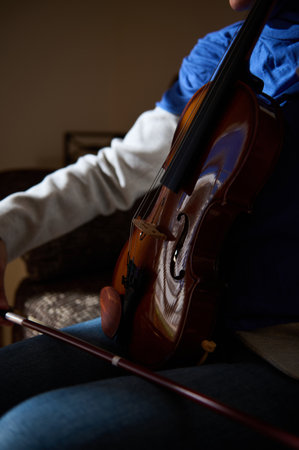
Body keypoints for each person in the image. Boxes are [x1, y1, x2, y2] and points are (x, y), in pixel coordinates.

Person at [0, 0, 298, 448]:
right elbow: (116, 171)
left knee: (32, 432)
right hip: (167, 315)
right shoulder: (221, 52)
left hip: (282, 355)